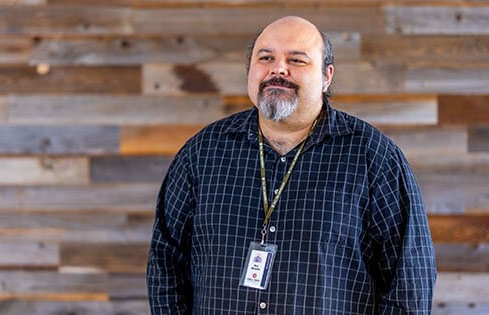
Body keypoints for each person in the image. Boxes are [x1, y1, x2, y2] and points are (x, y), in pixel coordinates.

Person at [147, 16, 436, 314]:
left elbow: (409, 284)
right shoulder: (201, 153)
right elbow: (165, 263)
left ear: (327, 76)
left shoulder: (374, 158)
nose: (278, 69)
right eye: (266, 58)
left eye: (296, 60)